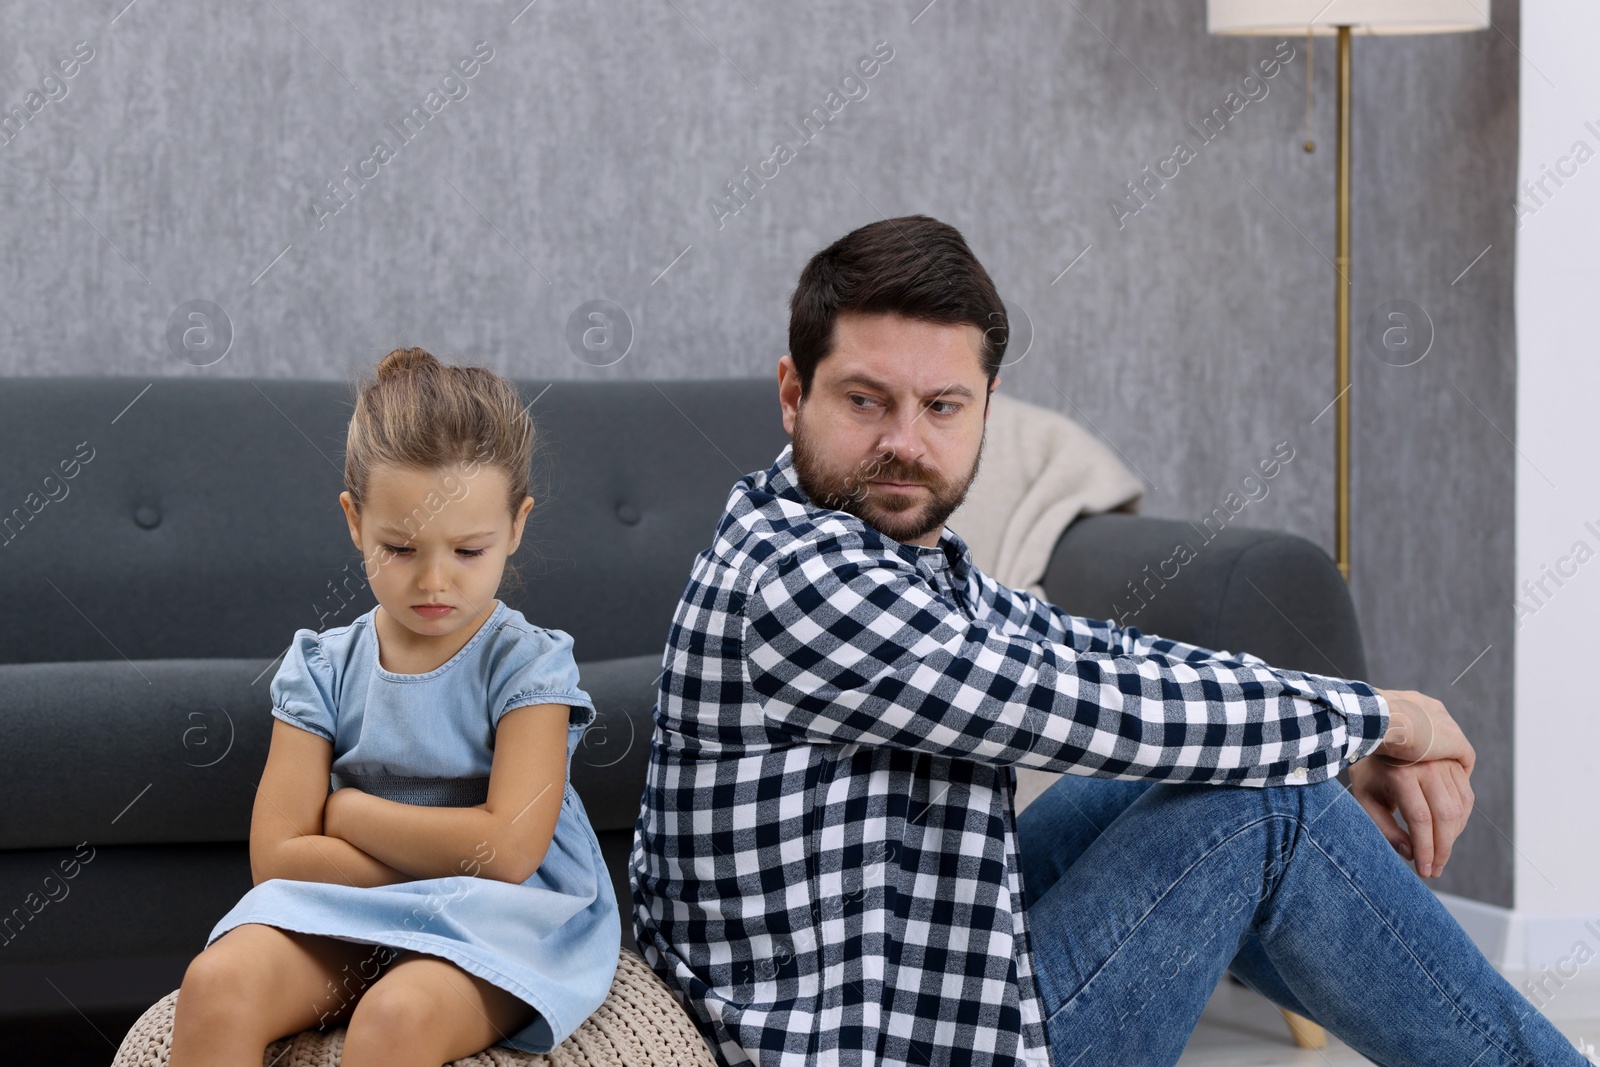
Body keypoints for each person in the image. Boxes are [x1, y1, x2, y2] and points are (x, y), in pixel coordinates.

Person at [629, 216, 1589, 1066]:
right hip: (863, 1039)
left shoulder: (862, 541)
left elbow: (1089, 656)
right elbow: (1087, 708)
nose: (907, 443)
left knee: (1208, 769)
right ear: (794, 392)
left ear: (987, 405)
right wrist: (1387, 715)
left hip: (914, 981)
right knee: (1264, 813)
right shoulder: (804, 579)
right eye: (866, 400)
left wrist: (1350, 740)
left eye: (943, 406)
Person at [171, 348, 619, 1066]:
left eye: (469, 550)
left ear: (517, 525)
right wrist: (433, 865)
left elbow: (506, 852)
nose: (434, 580)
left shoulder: (529, 664)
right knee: (216, 983)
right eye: (400, 547)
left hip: (499, 918)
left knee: (396, 1017)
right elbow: (277, 859)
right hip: (346, 913)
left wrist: (349, 816)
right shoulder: (321, 665)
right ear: (354, 520)